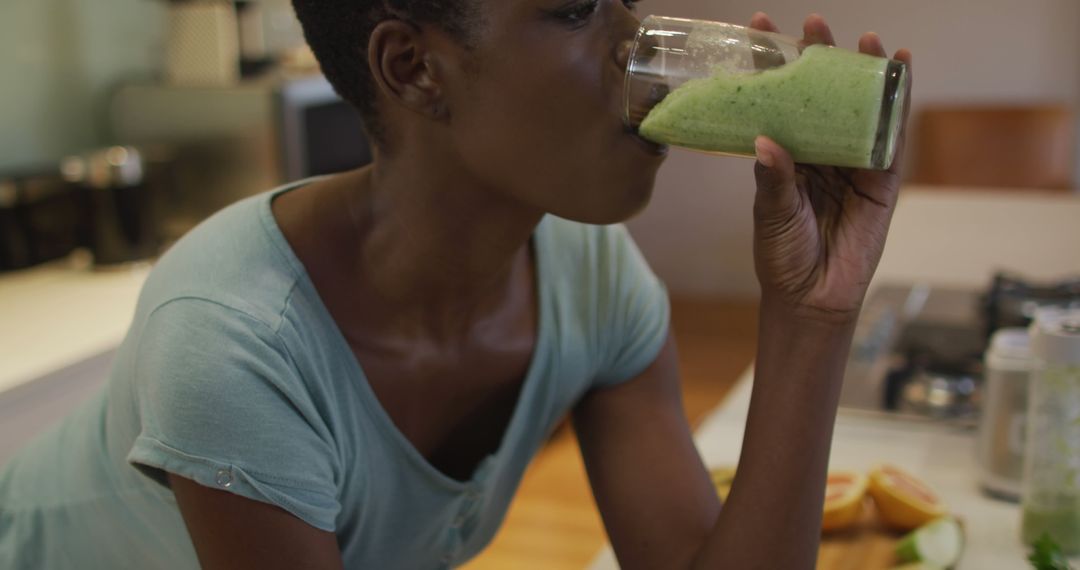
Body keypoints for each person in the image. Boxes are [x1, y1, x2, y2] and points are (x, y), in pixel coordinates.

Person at [0, 1, 913, 568]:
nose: (641, 51)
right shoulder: (234, 345)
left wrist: (813, 315)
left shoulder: (592, 283)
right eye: (577, 8)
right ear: (414, 68)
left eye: (628, 1)